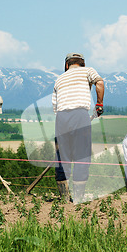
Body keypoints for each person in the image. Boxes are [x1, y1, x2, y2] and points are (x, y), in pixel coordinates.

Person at [52, 52, 104, 204]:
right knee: (82, 157)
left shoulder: (59, 79)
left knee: (62, 158)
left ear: (67, 65)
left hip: (61, 117)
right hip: (80, 115)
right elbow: (99, 83)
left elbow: (55, 107)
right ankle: (79, 198)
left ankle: (64, 198)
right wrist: (99, 104)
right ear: (83, 63)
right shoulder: (88, 71)